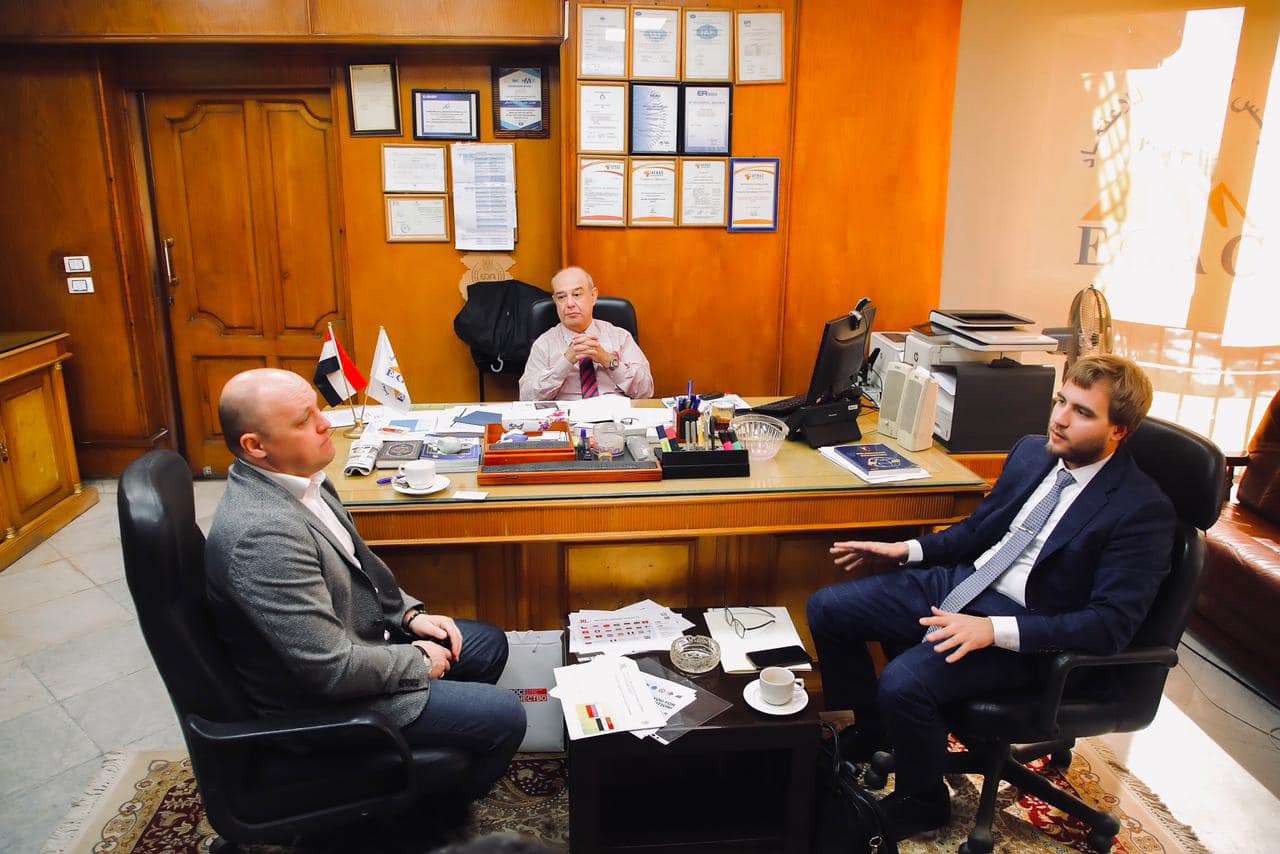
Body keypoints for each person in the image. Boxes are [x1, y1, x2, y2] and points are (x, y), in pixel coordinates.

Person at [807, 354, 1175, 839]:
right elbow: (979, 531)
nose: (1061, 418)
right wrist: (907, 550)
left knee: (904, 682)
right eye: (1061, 401)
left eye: (1083, 412)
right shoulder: (1034, 453)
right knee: (829, 609)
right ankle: (871, 731)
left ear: (1118, 431)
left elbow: (1109, 626)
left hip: (1030, 631)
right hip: (970, 581)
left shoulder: (1141, 511)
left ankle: (923, 802)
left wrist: (992, 630)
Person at [205, 368, 525, 810]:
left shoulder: (304, 479)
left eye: (317, 409)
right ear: (255, 446)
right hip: (321, 707)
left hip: (357, 644)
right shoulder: (262, 536)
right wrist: (417, 660)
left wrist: (409, 615)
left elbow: (362, 572)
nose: (325, 424)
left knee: (485, 645)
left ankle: (425, 772)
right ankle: (423, 814)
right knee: (504, 715)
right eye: (304, 420)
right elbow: (330, 670)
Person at [519, 266, 653, 401]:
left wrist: (607, 359)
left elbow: (645, 391)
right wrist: (565, 363)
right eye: (561, 297)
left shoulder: (620, 337)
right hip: (567, 413)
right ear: (555, 301)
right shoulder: (544, 344)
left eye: (577, 295)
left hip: (614, 412)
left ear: (593, 296)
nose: (569, 304)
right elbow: (527, 399)